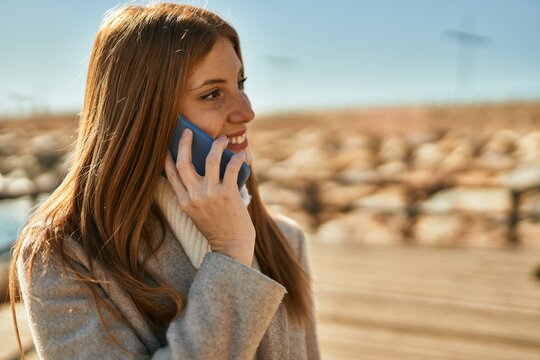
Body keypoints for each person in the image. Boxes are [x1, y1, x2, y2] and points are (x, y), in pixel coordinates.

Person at [9, 3, 320, 359]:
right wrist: (231, 254)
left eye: (240, 83)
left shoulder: (283, 237)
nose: (247, 111)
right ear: (146, 114)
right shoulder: (61, 255)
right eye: (212, 94)